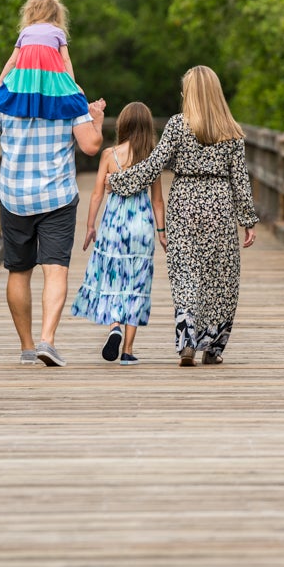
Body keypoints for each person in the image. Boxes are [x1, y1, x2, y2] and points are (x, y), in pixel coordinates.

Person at [0, 0, 106, 367]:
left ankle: (28, 348)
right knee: (55, 269)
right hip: (58, 196)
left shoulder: (7, 94)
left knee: (18, 271)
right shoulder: (69, 95)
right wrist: (93, 117)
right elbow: (92, 147)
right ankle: (48, 339)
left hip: (15, 196)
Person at [106, 66, 257, 366]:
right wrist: (248, 220)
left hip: (185, 203)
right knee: (221, 278)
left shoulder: (177, 126)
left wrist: (120, 181)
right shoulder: (232, 131)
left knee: (185, 273)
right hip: (219, 205)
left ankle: (187, 339)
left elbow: (154, 165)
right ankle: (212, 348)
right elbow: (240, 178)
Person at [71, 102, 166, 366]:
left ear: (123, 125)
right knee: (137, 283)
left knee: (114, 276)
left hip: (113, 224)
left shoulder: (109, 155)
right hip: (141, 225)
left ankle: (114, 324)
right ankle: (128, 349)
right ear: (148, 127)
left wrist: (91, 226)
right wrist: (161, 232)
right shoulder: (152, 157)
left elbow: (98, 194)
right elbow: (157, 201)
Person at [0, 0, 88, 120]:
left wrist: (0, 82)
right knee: (79, 96)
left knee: (6, 98)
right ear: (56, 15)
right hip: (50, 80)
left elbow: (12, 61)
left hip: (25, 81)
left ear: (30, 12)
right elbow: (66, 60)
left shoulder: (25, 32)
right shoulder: (58, 32)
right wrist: (71, 84)